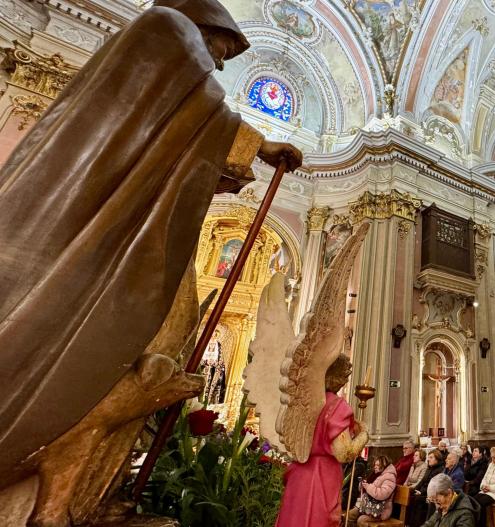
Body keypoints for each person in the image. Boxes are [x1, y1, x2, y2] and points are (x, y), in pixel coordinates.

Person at [0, 0, 306, 484]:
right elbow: (197, 109)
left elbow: (190, 114)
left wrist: (251, 145)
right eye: (223, 48)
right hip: (92, 200)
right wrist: (257, 145)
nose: (222, 63)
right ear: (203, 23)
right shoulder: (165, 28)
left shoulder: (173, 61)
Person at [277, 355, 369, 527]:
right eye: (344, 376)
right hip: (321, 477)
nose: (345, 381)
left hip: (299, 473)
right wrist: (364, 434)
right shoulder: (337, 405)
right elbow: (344, 453)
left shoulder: (304, 402)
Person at [346, 456, 397, 525]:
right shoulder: (375, 475)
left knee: (361, 520)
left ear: (384, 465)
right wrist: (363, 485)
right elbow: (366, 490)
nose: (375, 467)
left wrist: (368, 487)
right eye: (375, 465)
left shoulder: (389, 477)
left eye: (378, 465)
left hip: (380, 511)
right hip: (367, 506)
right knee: (350, 514)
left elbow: (382, 494)